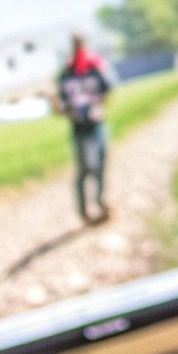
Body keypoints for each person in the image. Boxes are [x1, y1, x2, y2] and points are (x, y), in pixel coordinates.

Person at [58, 35, 118, 224]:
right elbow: (62, 103)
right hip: (79, 127)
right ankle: (84, 212)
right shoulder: (66, 73)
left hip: (97, 124)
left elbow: (107, 91)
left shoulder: (94, 68)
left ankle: (100, 202)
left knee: (100, 165)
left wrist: (98, 106)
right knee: (84, 169)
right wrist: (68, 112)